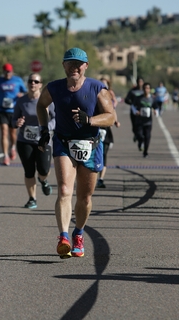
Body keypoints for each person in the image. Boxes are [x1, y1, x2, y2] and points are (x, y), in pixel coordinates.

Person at [36, 47, 115, 259]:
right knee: (64, 190)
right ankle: (63, 238)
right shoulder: (54, 88)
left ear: (86, 66)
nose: (74, 67)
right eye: (70, 63)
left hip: (91, 145)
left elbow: (109, 116)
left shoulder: (97, 88)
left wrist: (89, 120)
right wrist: (44, 130)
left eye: (78, 64)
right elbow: (41, 105)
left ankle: (78, 234)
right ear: (64, 65)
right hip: (63, 143)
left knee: (85, 198)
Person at [12, 73, 55, 209]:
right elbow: (13, 119)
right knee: (29, 171)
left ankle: (43, 181)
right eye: (30, 81)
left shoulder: (47, 100)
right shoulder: (21, 101)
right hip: (25, 140)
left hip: (43, 140)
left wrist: (48, 127)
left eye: (36, 81)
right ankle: (32, 198)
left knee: (43, 169)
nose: (33, 84)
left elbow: (56, 118)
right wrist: (17, 122)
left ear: (41, 85)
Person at [0, 63, 27, 165]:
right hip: (2, 110)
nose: (7, 74)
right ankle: (5, 156)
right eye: (6, 72)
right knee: (4, 132)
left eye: (9, 72)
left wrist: (21, 95)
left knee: (12, 133)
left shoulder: (18, 80)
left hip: (14, 111)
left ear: (12, 71)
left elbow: (26, 92)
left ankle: (13, 147)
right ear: (3, 72)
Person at [96, 77, 120, 188]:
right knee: (94, 154)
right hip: (94, 129)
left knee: (104, 154)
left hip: (105, 130)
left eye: (104, 84)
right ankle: (91, 178)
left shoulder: (109, 96)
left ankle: (101, 179)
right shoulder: (93, 95)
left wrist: (115, 121)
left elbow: (113, 110)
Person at [133, 82, 158, 158]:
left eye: (148, 88)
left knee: (147, 137)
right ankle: (140, 142)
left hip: (148, 122)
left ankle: (145, 152)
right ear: (143, 89)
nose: (146, 90)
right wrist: (136, 111)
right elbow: (133, 106)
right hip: (139, 121)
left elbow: (156, 107)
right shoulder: (139, 98)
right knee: (140, 135)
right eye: (145, 88)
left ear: (150, 89)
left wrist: (155, 111)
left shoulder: (152, 99)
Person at [125, 77, 144, 142]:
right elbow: (126, 100)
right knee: (134, 126)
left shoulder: (145, 90)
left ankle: (141, 140)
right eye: (139, 82)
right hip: (134, 111)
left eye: (141, 82)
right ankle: (136, 135)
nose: (140, 83)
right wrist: (132, 103)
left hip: (143, 111)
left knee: (142, 126)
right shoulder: (132, 91)